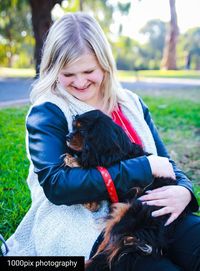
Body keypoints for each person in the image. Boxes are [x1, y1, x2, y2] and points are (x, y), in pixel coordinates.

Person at [3, 12, 200, 270]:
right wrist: (142, 168)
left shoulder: (130, 103)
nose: (81, 81)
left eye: (88, 70)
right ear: (53, 70)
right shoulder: (48, 111)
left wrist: (184, 191)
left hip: (150, 210)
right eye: (68, 74)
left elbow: (165, 163)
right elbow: (57, 185)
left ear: (105, 64)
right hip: (88, 225)